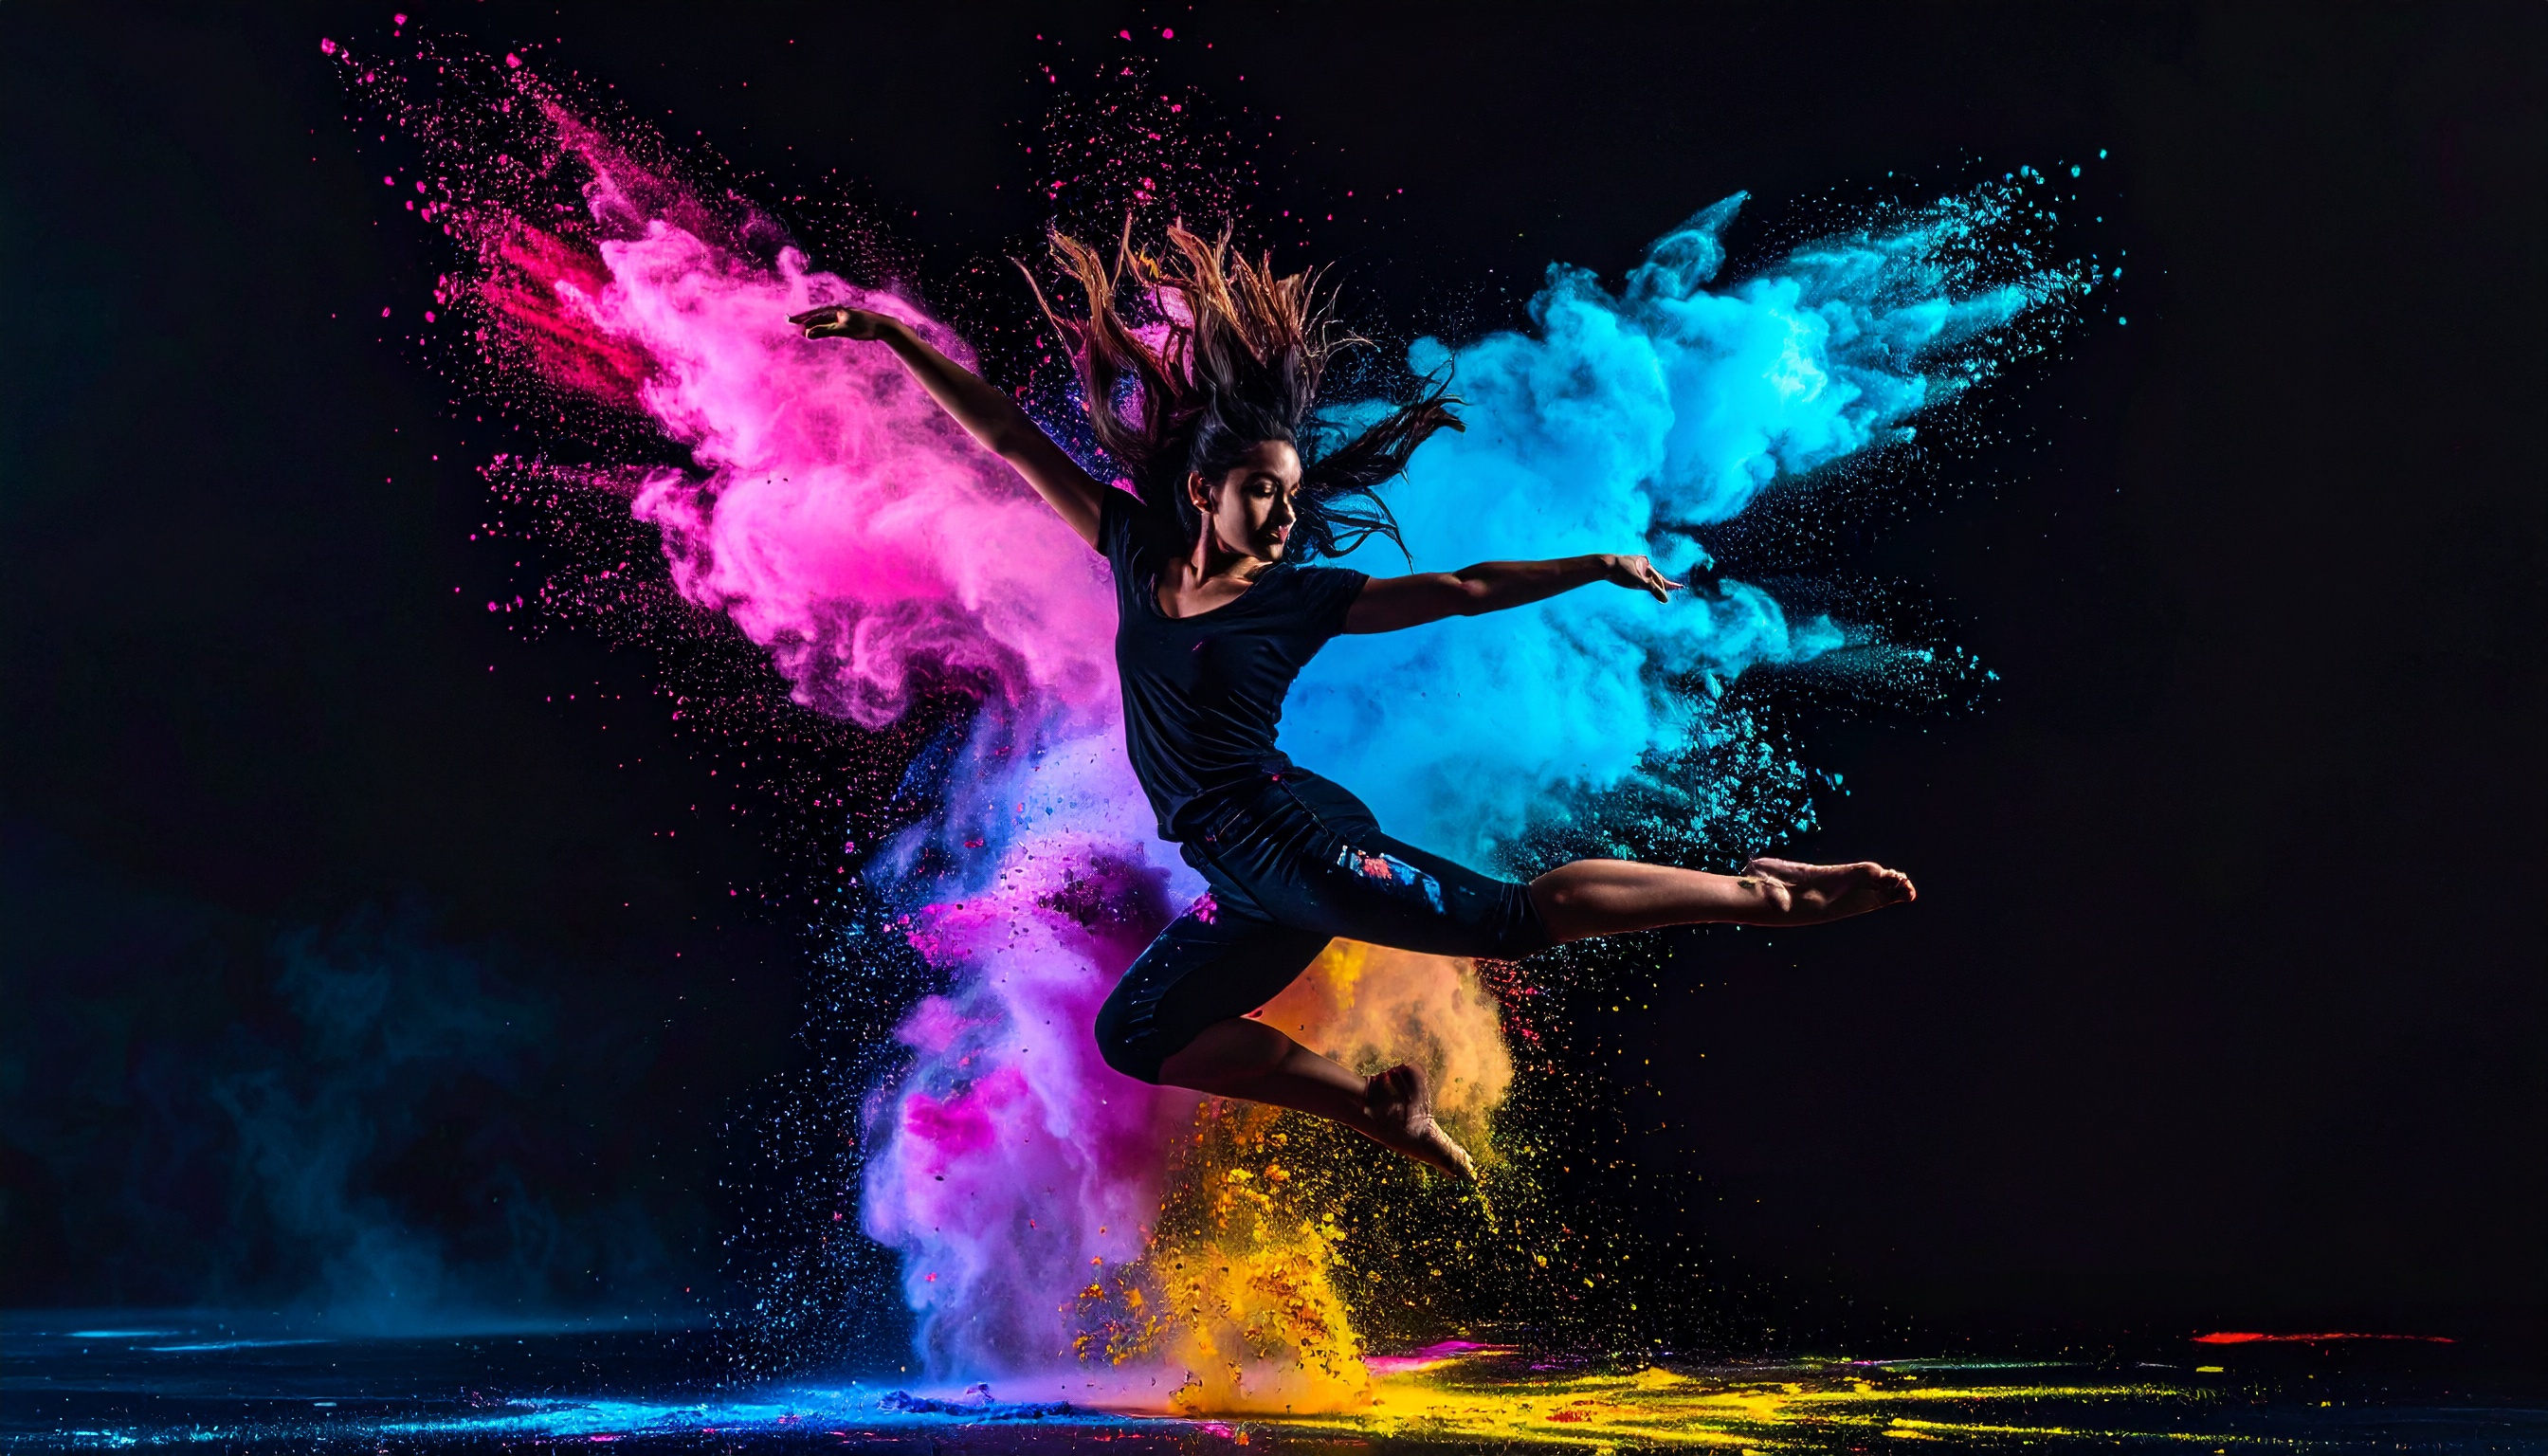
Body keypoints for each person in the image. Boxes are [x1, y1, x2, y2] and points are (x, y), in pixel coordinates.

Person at [789, 224, 1915, 1179]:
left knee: (1513, 922)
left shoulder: (1300, 599)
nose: (1282, 517)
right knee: (1139, 1032)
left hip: (1290, 838)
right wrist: (894, 340)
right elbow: (1005, 435)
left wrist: (1589, 565)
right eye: (1262, 495)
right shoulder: (1133, 549)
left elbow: (1466, 590)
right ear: (1204, 492)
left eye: (1290, 499)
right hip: (1241, 870)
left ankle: (1760, 895)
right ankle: (1376, 1107)